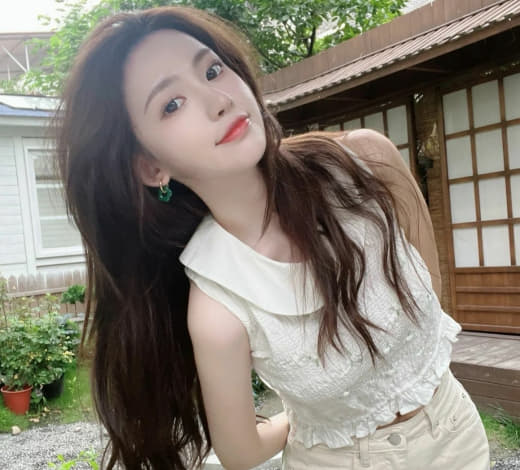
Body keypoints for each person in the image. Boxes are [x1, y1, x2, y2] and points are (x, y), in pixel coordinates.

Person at [55, 5, 490, 470]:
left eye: (212, 70)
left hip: (459, 437)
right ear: (151, 167)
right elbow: (240, 452)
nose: (217, 99)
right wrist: (316, 422)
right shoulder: (217, 305)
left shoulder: (368, 163)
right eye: (172, 104)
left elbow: (429, 296)